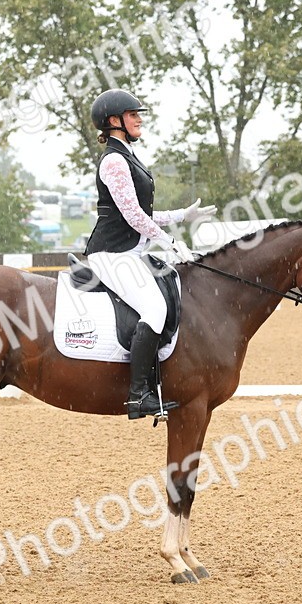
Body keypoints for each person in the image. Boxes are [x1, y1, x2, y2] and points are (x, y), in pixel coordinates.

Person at [84, 88, 217, 420]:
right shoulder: (114, 161)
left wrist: (180, 216)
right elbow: (133, 217)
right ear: (114, 121)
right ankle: (137, 394)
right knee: (154, 308)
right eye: (132, 115)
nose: (139, 119)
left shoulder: (127, 154)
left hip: (131, 252)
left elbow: (141, 213)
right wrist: (170, 242)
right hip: (112, 254)